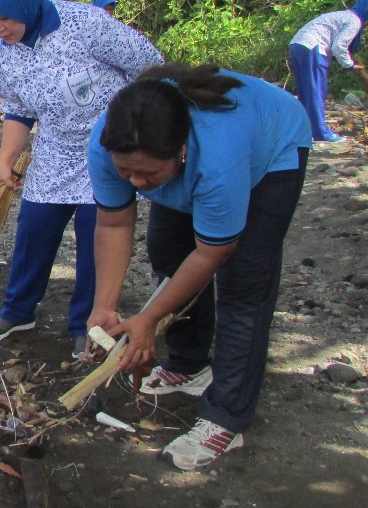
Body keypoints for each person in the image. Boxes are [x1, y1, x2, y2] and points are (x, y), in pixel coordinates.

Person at [87, 64, 310, 470]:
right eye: (126, 171)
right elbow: (114, 221)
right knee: (167, 250)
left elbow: (212, 253)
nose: (135, 181)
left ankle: (226, 415)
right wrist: (105, 304)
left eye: (148, 173)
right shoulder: (108, 142)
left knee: (244, 285)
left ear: (181, 150)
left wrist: (150, 317)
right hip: (196, 167)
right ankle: (188, 365)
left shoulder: (218, 158)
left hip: (273, 150)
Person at [0, 0, 163, 355]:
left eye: (4, 18)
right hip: (55, 150)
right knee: (34, 228)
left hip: (109, 150)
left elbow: (150, 64)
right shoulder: (2, 56)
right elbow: (18, 110)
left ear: (28, 4)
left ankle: (85, 324)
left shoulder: (87, 24)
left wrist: (141, 126)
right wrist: (6, 159)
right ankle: (18, 310)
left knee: (98, 238)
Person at [287, 0, 368, 143]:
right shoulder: (355, 21)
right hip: (312, 46)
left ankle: (304, 131)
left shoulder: (343, 15)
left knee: (305, 91)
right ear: (367, 15)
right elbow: (339, 46)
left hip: (297, 44)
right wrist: (350, 64)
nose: (367, 24)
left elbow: (332, 45)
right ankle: (321, 133)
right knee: (315, 91)